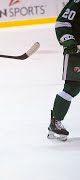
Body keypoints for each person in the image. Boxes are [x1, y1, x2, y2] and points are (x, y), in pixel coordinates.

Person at [48, 0, 80, 141]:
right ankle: (56, 122)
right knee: (72, 88)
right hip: (76, 51)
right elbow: (62, 23)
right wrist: (68, 39)